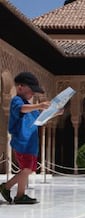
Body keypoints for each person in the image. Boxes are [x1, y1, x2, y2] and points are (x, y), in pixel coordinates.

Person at [0, 72, 54, 204]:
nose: (33, 94)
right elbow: (22, 109)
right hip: (22, 142)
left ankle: (20, 195)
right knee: (28, 170)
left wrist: (55, 112)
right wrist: (39, 105)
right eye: (31, 90)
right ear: (20, 87)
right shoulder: (17, 101)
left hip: (31, 144)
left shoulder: (31, 107)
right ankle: (6, 187)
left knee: (26, 170)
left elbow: (41, 119)